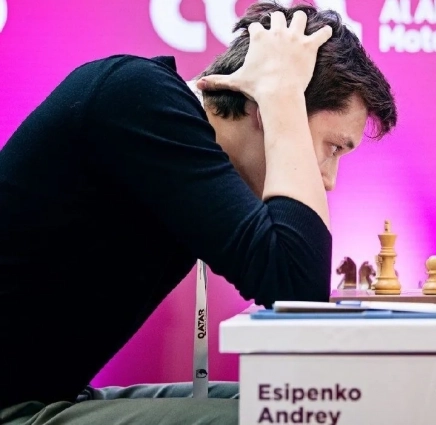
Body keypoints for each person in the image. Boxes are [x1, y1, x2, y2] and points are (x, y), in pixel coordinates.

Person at [0, 2, 397, 424]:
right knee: (293, 419)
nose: (329, 180)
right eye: (332, 148)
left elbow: (296, 293)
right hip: (15, 408)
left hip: (50, 394)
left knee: (313, 404)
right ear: (264, 107)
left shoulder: (180, 141)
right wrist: (284, 101)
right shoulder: (138, 98)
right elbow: (298, 292)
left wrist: (281, 103)